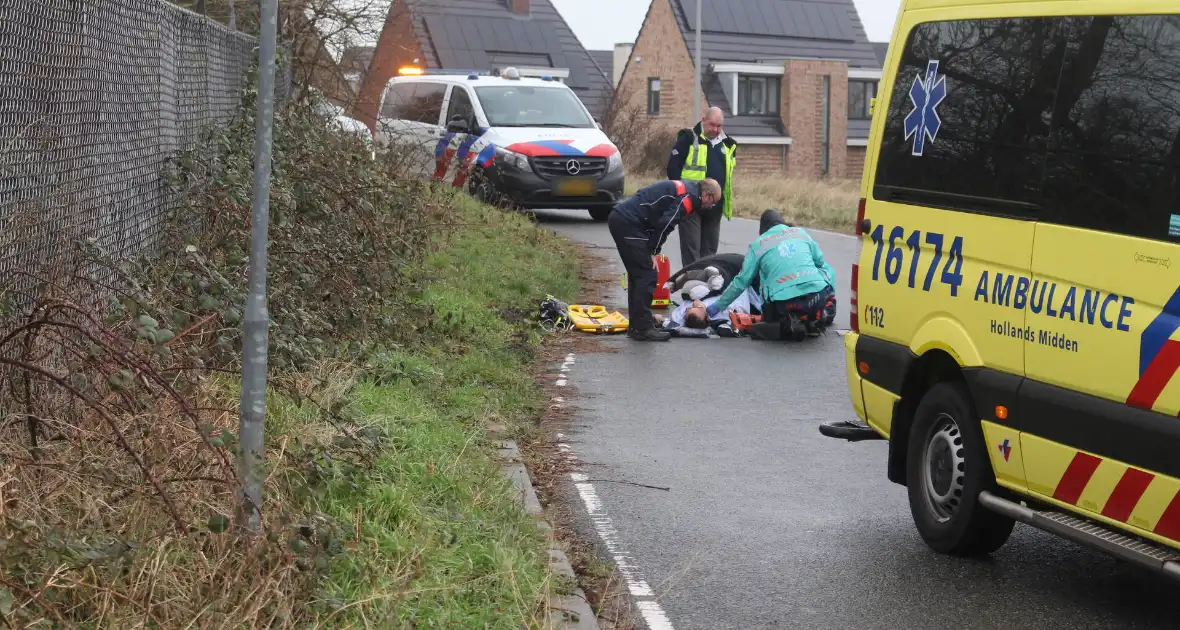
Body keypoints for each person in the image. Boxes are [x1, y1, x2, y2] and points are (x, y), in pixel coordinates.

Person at [609, 178, 723, 341]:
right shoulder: (688, 198)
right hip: (629, 222)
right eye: (713, 202)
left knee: (638, 274)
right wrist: (653, 251)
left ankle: (637, 325)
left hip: (624, 219)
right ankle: (643, 328)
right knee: (647, 274)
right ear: (706, 194)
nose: (711, 207)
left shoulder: (688, 189)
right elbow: (666, 224)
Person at [706, 209, 837, 340]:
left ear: (762, 229)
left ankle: (787, 323)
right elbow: (820, 262)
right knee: (825, 270)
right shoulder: (801, 233)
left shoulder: (758, 244)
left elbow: (741, 282)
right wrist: (827, 290)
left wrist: (714, 308)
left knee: (762, 321)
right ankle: (822, 312)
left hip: (784, 303)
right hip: (817, 295)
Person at [667, 107, 738, 267]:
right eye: (712, 125)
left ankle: (705, 289)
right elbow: (673, 170)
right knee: (692, 252)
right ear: (703, 119)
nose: (715, 129)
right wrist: (683, 196)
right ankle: (691, 286)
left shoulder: (728, 145)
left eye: (719, 126)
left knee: (710, 255)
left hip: (715, 208)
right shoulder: (688, 138)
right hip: (691, 205)